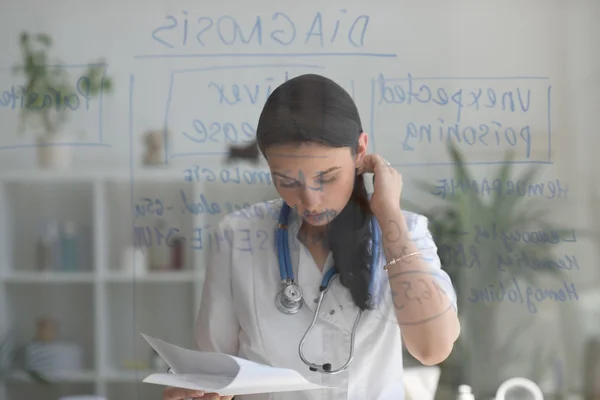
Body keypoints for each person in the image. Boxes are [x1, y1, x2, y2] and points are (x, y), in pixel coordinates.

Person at [163, 73, 460, 400]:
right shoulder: (237, 237)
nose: (310, 200)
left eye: (327, 177)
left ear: (359, 151)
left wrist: (387, 212)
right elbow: (212, 371)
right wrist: (191, 392)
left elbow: (433, 348)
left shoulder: (404, 232)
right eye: (287, 181)